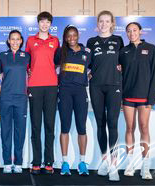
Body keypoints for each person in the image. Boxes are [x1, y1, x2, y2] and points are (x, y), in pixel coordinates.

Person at [86, 10, 124, 181]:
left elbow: (125, 62)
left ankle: (114, 165)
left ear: (112, 23)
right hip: (96, 86)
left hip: (114, 86)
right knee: (100, 123)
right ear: (97, 23)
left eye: (107, 21)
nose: (103, 24)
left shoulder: (118, 40)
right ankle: (104, 161)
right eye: (101, 21)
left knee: (113, 123)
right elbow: (86, 63)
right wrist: (87, 72)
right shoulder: (91, 41)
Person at [120, 22, 155, 180]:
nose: (131, 33)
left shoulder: (151, 48)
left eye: (134, 30)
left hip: (144, 97)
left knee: (144, 128)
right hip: (128, 96)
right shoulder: (123, 51)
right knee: (129, 128)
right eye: (128, 31)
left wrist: (151, 97)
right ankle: (130, 165)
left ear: (140, 31)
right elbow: (119, 74)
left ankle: (145, 167)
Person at [25, 11, 60, 175]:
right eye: (42, 22)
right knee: (36, 125)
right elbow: (26, 61)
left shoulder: (56, 41)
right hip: (34, 87)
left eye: (48, 22)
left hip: (52, 86)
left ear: (50, 24)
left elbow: (59, 61)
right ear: (38, 23)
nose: (44, 24)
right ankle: (36, 162)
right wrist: (29, 72)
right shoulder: (31, 40)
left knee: (49, 125)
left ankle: (49, 162)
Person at [55, 25, 91, 176]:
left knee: (81, 128)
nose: (71, 38)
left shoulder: (86, 52)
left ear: (78, 35)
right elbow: (52, 67)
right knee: (65, 127)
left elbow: (95, 69)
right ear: (65, 37)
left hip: (80, 92)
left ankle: (82, 162)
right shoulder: (60, 52)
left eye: (74, 35)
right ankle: (64, 162)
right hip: (64, 92)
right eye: (68, 36)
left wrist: (87, 77)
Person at [0, 30, 30, 174]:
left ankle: (18, 162)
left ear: (21, 41)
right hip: (5, 97)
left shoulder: (27, 56)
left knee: (20, 131)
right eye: (13, 39)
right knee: (6, 130)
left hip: (21, 98)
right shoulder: (2, 56)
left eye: (18, 39)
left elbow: (31, 73)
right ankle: (6, 162)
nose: (15, 41)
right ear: (9, 41)